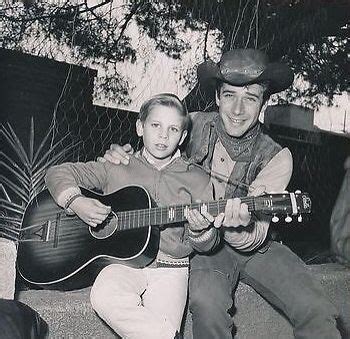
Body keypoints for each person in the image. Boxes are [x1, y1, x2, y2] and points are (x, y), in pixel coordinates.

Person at [101, 49, 341, 339]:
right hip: (206, 247)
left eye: (250, 98)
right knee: (206, 303)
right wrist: (120, 156)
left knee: (316, 308)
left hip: (258, 246)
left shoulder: (278, 157)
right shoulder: (190, 125)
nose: (238, 110)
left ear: (264, 103)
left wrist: (239, 229)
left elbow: (255, 235)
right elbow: (151, 155)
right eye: (229, 96)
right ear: (217, 97)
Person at [45, 93, 221, 339]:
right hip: (121, 262)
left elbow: (208, 245)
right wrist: (76, 201)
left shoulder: (199, 179)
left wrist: (200, 231)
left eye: (173, 129)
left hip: (171, 269)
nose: (163, 135)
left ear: (182, 137)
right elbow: (57, 173)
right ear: (140, 127)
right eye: (155, 125)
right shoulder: (117, 165)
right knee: (104, 296)